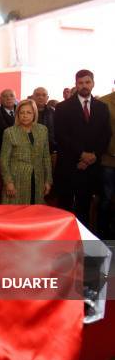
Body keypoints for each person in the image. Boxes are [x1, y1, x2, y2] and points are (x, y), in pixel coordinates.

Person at [55, 69, 111, 227]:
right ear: (76, 84)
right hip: (69, 165)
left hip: (91, 167)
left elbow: (105, 135)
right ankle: (63, 246)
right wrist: (81, 155)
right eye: (80, 83)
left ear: (93, 83)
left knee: (84, 209)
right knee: (65, 210)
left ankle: (84, 246)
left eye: (87, 82)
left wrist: (92, 156)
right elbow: (61, 136)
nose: (84, 86)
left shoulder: (102, 107)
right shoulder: (62, 107)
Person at [0, 99, 52, 204]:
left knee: (35, 214)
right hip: (17, 179)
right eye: (22, 112)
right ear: (17, 114)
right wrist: (8, 182)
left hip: (38, 179)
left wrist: (48, 180)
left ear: (34, 114)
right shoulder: (10, 132)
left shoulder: (43, 130)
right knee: (16, 215)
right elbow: (4, 160)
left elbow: (46, 157)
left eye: (29, 112)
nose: (25, 115)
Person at [98, 87, 115, 238]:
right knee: (106, 198)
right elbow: (100, 131)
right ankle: (102, 231)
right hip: (108, 158)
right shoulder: (104, 102)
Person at [32, 87, 56, 152]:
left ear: (47, 98)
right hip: (30, 149)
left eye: (44, 95)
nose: (41, 97)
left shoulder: (53, 112)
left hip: (49, 149)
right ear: (33, 97)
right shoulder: (27, 111)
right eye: (37, 95)